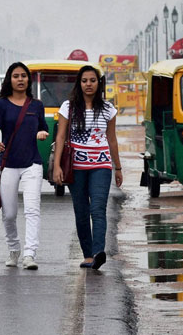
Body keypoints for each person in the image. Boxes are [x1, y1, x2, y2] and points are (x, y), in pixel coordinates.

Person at [53, 65, 123, 270]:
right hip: (76, 167)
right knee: (81, 210)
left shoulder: (108, 109)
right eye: (84, 81)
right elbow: (60, 136)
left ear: (99, 83)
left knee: (98, 208)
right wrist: (57, 165)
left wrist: (117, 168)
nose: (88, 84)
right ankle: (87, 254)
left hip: (101, 166)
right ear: (79, 83)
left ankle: (98, 252)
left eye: (92, 80)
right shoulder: (68, 107)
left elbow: (112, 140)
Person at [0, 62, 49, 270]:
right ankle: (14, 249)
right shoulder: (2, 104)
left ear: (28, 80)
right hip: (7, 164)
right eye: (16, 76)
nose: (20, 79)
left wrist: (42, 134)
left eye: (24, 76)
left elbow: (44, 129)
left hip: (32, 164)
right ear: (9, 79)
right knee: (10, 213)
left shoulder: (36, 105)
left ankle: (30, 254)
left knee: (32, 210)